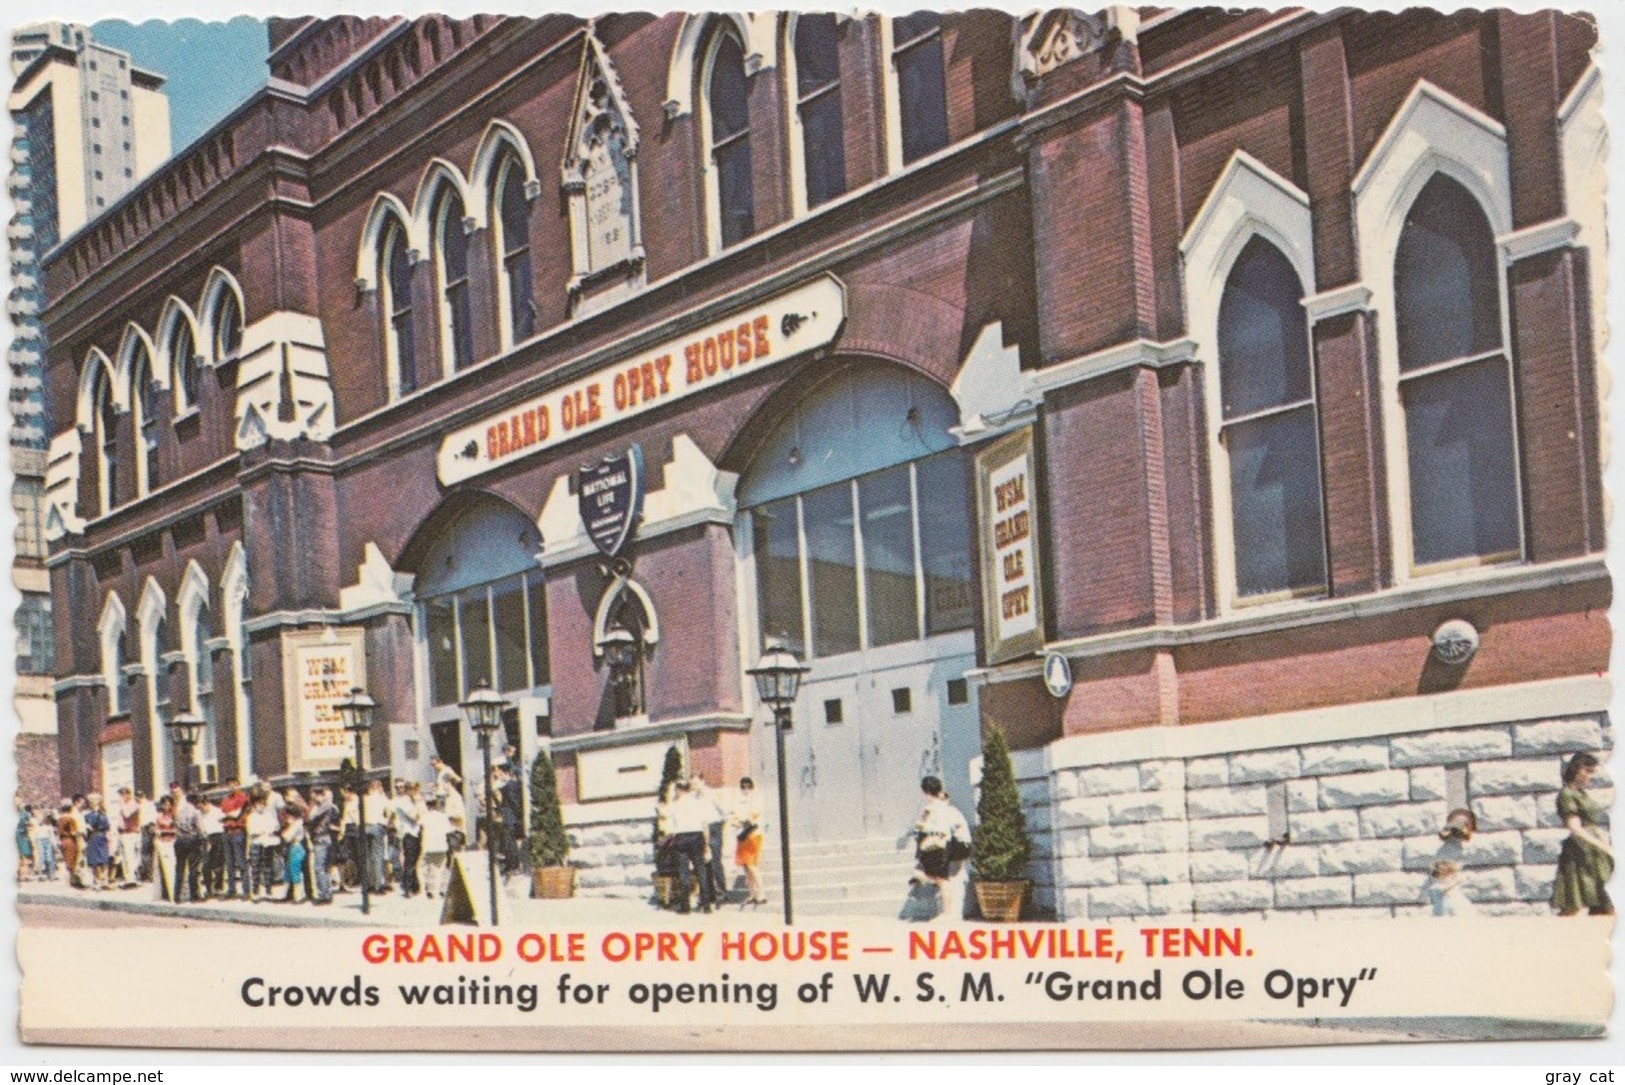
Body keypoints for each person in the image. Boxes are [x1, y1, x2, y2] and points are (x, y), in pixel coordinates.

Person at [1553, 752, 1613, 916]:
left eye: (1592, 772)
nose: (1589, 776)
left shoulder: (1582, 794)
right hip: (1580, 852)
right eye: (1587, 770)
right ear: (1576, 769)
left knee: (1605, 903)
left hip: (1596, 852)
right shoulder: (1567, 794)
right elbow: (1575, 827)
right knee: (1573, 906)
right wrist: (1602, 845)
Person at [913, 776, 970, 925]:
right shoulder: (941, 807)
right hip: (960, 844)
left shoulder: (936, 808)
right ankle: (950, 913)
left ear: (924, 792)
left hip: (952, 844)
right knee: (947, 879)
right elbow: (920, 827)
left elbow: (940, 832)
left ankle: (947, 913)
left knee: (942, 879)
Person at [667, 779, 714, 915]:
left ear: (678, 790)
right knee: (701, 871)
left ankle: (685, 906)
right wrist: (706, 844)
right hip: (697, 836)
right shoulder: (697, 802)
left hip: (681, 837)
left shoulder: (675, 805)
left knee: (683, 872)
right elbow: (705, 825)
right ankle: (706, 905)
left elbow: (670, 826)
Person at [731, 777, 766, 906]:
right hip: (742, 835)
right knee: (746, 867)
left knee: (751, 865)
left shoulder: (757, 799)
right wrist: (737, 821)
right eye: (743, 787)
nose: (746, 790)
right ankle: (753, 894)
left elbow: (754, 815)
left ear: (753, 787)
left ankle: (761, 893)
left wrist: (743, 820)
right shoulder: (739, 801)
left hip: (753, 834)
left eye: (748, 787)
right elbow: (733, 816)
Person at [306, 786, 339, 905]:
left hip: (321, 838)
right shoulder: (321, 806)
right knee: (323, 868)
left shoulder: (324, 806)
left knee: (319, 868)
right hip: (321, 838)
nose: (312, 798)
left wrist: (316, 803)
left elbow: (310, 818)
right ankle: (326, 893)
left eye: (314, 795)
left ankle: (324, 895)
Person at [219, 779, 251, 899]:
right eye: (229, 785)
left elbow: (237, 814)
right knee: (229, 862)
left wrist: (229, 815)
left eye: (234, 784)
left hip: (238, 831)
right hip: (227, 832)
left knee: (241, 861)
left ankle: (246, 890)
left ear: (238, 785)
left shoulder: (243, 797)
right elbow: (223, 813)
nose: (231, 787)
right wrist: (228, 815)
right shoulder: (225, 799)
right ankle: (231, 889)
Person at [172, 792, 206, 903]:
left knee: (180, 868)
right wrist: (204, 839)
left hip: (180, 840)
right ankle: (194, 895)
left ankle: (177, 895)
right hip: (192, 839)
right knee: (193, 868)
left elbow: (175, 825)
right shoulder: (196, 812)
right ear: (195, 801)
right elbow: (200, 829)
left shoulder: (180, 811)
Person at [247, 792, 280, 900]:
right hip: (256, 843)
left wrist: (270, 831)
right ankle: (256, 891)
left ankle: (268, 890)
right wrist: (261, 831)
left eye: (262, 804)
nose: (261, 806)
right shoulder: (251, 817)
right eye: (258, 804)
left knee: (268, 867)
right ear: (254, 806)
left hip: (267, 843)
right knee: (256, 867)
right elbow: (252, 830)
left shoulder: (269, 816)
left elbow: (275, 827)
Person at [421, 794, 452, 899]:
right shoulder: (443, 816)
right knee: (440, 868)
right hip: (441, 845)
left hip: (428, 845)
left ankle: (430, 889)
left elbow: (420, 828)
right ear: (436, 804)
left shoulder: (425, 816)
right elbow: (449, 830)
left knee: (429, 868)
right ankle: (438, 890)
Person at [84, 794, 113, 890]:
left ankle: (104, 880)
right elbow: (86, 828)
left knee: (104, 859)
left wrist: (110, 839)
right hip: (93, 837)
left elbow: (108, 828)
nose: (93, 802)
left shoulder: (103, 815)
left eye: (96, 800)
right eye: (91, 800)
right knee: (95, 860)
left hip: (102, 837)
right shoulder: (87, 815)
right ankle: (97, 880)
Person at [152, 796, 178, 902]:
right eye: (164, 804)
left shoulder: (175, 816)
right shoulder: (159, 817)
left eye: (168, 804)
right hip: (162, 843)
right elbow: (156, 830)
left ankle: (174, 890)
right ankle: (165, 892)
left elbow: (178, 830)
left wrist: (167, 832)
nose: (166, 806)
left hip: (173, 842)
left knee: (173, 866)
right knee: (163, 868)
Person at [116, 787, 142, 889]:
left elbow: (127, 815)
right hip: (123, 833)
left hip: (130, 833)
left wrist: (122, 805)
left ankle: (132, 879)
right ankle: (128, 879)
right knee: (125, 857)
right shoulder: (124, 806)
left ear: (128, 794)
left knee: (130, 857)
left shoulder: (134, 805)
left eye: (122, 795)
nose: (121, 797)